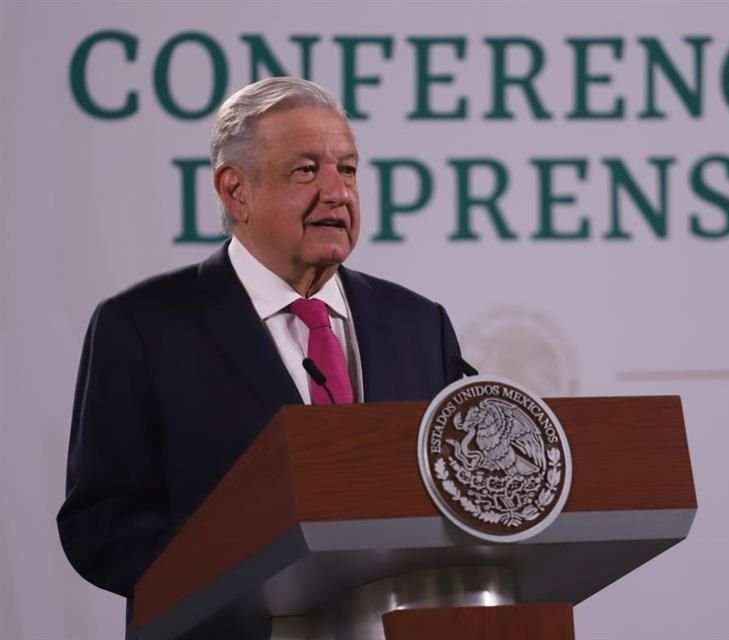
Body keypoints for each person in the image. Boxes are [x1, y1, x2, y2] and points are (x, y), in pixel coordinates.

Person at [56, 77, 464, 639]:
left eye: (347, 170)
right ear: (235, 191)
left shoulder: (418, 324)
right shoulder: (143, 327)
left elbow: (453, 495)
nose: (337, 192)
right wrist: (253, 565)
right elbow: (100, 525)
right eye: (306, 170)